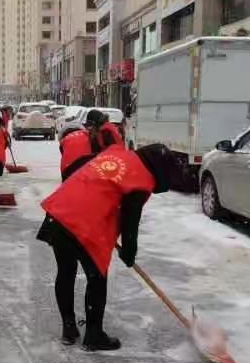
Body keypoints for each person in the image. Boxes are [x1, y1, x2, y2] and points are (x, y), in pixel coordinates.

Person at [37, 143, 182, 351]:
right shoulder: (140, 179)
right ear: (159, 169)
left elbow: (77, 165)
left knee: (66, 271)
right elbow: (130, 221)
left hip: (59, 212)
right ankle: (93, 336)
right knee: (97, 278)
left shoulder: (116, 153)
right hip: (83, 223)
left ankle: (69, 329)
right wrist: (129, 252)